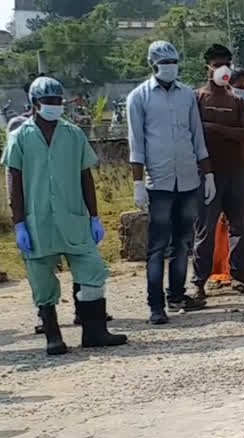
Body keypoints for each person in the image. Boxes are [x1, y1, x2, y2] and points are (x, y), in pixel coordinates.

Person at [3, 76, 128, 355]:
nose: (54, 106)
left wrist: (94, 217)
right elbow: (14, 180)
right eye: (48, 101)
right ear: (35, 104)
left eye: (58, 101)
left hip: (73, 217)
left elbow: (86, 177)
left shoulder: (73, 134)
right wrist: (19, 222)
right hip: (38, 221)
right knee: (42, 278)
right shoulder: (20, 138)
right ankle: (53, 335)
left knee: (92, 270)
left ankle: (95, 331)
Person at [128, 40, 213, 325]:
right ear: (153, 66)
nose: (170, 68)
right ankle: (155, 305)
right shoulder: (138, 97)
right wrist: (138, 183)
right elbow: (136, 145)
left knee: (183, 242)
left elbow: (197, 136)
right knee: (157, 246)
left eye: (173, 63)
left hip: (188, 178)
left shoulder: (187, 94)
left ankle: (176, 295)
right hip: (159, 182)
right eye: (164, 64)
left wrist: (208, 173)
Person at [193, 45, 244, 297]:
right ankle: (199, 281)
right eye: (217, 63)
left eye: (226, 63)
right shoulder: (197, 98)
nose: (223, 68)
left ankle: (238, 275)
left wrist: (214, 128)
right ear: (207, 67)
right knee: (205, 229)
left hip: (237, 170)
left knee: (239, 226)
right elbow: (192, 133)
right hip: (207, 173)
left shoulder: (236, 101)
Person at [208, 68, 244, 285]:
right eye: (239, 87)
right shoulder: (222, 109)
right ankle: (225, 268)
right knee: (226, 219)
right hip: (224, 165)